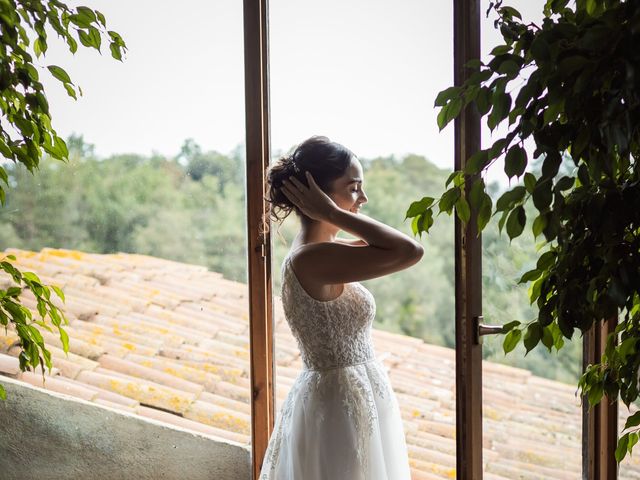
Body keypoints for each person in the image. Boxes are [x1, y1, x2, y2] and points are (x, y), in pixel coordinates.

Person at [259, 135, 423, 479]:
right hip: (338, 407)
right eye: (353, 188)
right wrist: (332, 213)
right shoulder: (313, 258)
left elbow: (383, 244)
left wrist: (334, 212)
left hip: (352, 395)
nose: (363, 198)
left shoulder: (326, 250)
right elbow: (409, 251)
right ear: (317, 194)